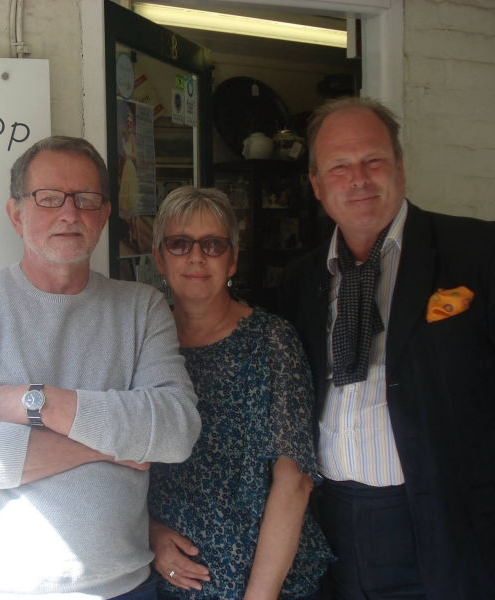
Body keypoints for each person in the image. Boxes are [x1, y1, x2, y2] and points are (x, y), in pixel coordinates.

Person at [0, 135, 202, 600]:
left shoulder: (142, 308)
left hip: (125, 588)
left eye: (86, 199)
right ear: (17, 213)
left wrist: (35, 402)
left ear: (104, 215)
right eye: (48, 198)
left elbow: (176, 430)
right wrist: (105, 446)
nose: (69, 213)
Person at [279, 96, 495, 599]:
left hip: (447, 525)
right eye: (339, 167)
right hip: (331, 526)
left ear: (399, 166)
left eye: (373, 160)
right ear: (316, 184)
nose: (358, 179)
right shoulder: (300, 280)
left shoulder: (478, 253)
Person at [147, 186, 333, 600]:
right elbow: (118, 463)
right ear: (159, 257)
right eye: (180, 244)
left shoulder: (271, 341)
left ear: (232, 258)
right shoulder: (142, 343)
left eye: (213, 245)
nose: (197, 257)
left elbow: (294, 482)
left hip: (270, 586)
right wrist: (150, 533)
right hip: (168, 583)